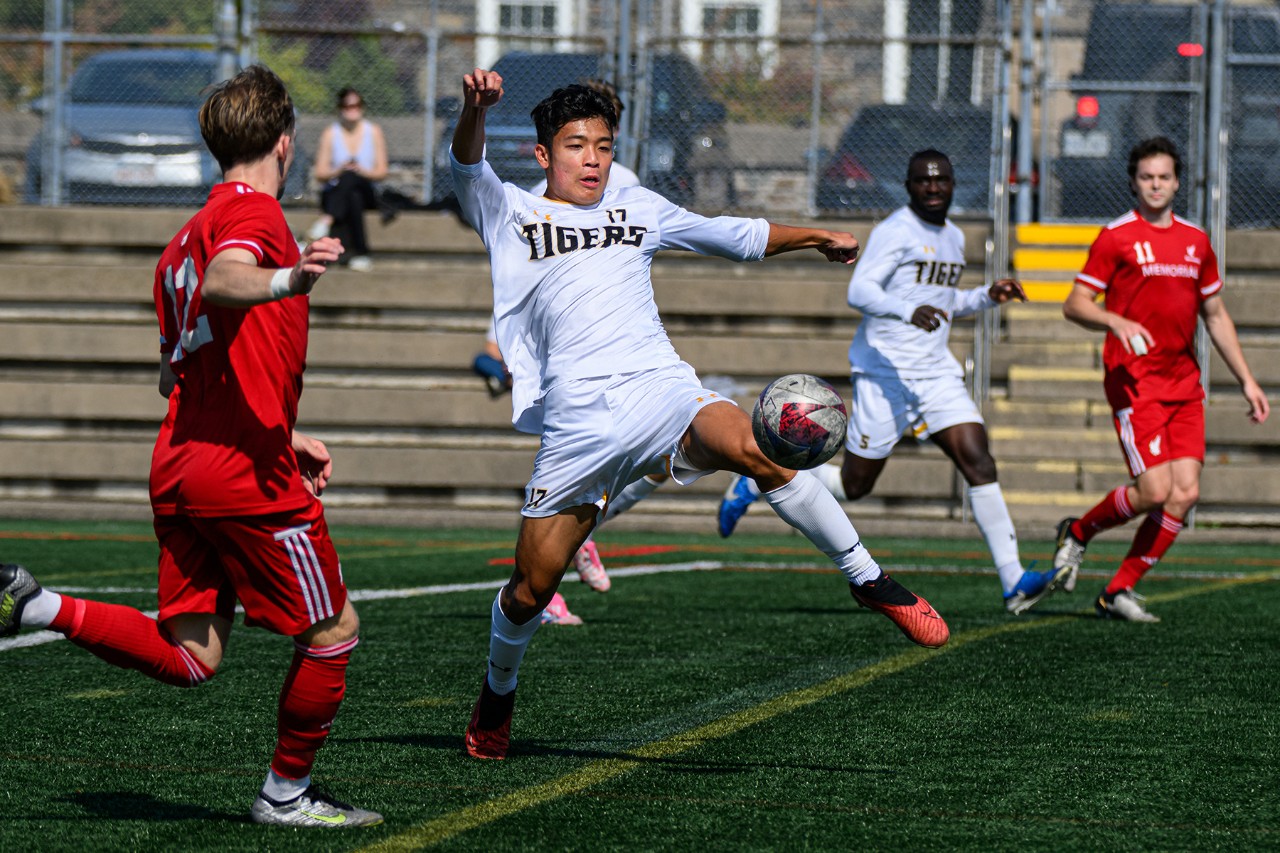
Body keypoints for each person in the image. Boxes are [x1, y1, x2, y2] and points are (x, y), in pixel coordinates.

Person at [450, 68, 950, 761]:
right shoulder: (509, 211)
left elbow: (732, 234)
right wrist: (473, 109)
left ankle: (869, 578)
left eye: (602, 145)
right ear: (543, 155)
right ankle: (496, 694)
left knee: (758, 446)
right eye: (575, 145)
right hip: (578, 422)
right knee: (530, 590)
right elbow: (465, 162)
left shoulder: (638, 210)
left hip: (663, 392)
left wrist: (814, 237)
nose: (592, 159)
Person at [0, 66, 381, 827]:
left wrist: (282, 425)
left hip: (181, 460)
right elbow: (227, 280)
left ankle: (34, 603)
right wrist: (288, 282)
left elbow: (176, 373)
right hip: (241, 472)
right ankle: (286, 795)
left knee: (192, 655)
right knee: (335, 632)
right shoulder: (257, 218)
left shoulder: (177, 242)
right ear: (285, 142)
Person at [717, 150, 1067, 615]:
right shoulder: (895, 231)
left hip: (935, 372)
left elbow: (941, 301)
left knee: (978, 460)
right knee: (857, 484)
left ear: (953, 184)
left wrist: (986, 296)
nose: (933, 187)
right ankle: (759, 478)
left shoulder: (955, 236)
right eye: (924, 180)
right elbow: (859, 290)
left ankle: (1014, 580)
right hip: (885, 373)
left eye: (941, 180)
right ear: (909, 185)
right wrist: (906, 311)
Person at [1053, 136, 1269, 622]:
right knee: (1153, 491)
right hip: (1136, 384)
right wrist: (1116, 321)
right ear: (1134, 181)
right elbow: (1076, 304)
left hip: (1183, 385)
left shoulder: (1196, 241)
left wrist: (1248, 381)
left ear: (1177, 182)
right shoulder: (1116, 236)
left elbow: (1215, 316)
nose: (1155, 185)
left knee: (1186, 492)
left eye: (1164, 177)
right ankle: (1079, 532)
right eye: (1147, 177)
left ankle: (1117, 591)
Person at [308, 87, 389, 272]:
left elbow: (381, 172)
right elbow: (320, 174)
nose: (353, 109)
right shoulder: (331, 133)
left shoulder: (373, 131)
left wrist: (360, 171)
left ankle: (327, 219)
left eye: (357, 105)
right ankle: (361, 253)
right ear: (340, 108)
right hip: (341, 193)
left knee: (353, 178)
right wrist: (339, 170)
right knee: (352, 195)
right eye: (347, 106)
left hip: (366, 187)